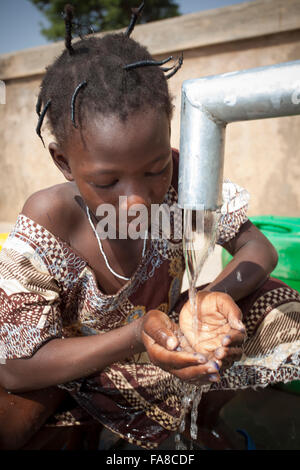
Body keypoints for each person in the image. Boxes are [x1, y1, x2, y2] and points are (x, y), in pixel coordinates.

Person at [0, 3, 300, 450]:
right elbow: (15, 365)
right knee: (17, 413)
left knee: (277, 304)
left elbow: (257, 247)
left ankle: (199, 424)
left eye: (155, 168)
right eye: (107, 181)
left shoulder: (185, 179)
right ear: (63, 161)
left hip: (164, 351)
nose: (137, 199)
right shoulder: (50, 220)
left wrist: (213, 297)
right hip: (79, 374)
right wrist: (137, 334)